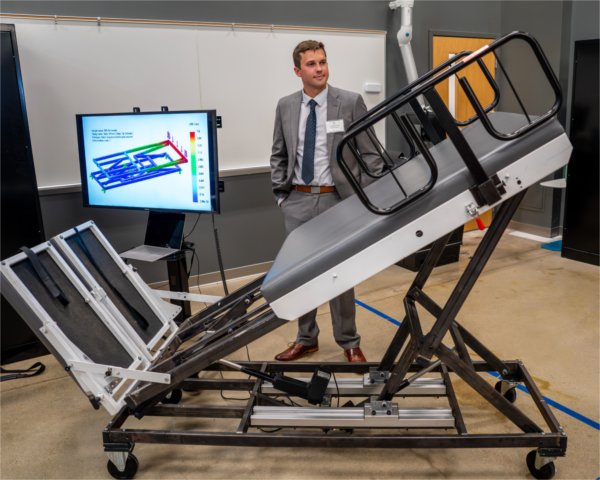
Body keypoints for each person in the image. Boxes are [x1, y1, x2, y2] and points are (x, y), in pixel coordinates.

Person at [270, 40, 384, 362]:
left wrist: (365, 199)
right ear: (297, 70)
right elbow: (279, 152)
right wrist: (282, 196)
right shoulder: (286, 106)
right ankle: (306, 338)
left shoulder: (349, 102)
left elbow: (371, 153)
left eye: (322, 62)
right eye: (311, 64)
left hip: (338, 200)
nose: (319, 68)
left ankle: (349, 341)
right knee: (300, 273)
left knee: (340, 274)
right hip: (298, 200)